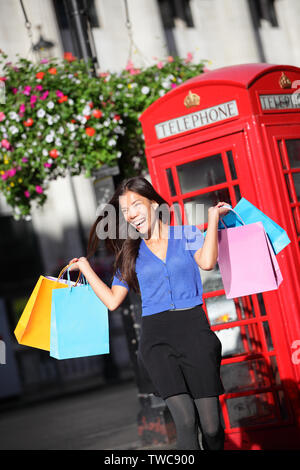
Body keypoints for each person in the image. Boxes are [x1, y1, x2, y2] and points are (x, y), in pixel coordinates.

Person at [68, 176, 230, 450]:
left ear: (154, 204)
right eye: (125, 210)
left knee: (212, 429)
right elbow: (112, 301)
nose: (130, 214)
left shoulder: (186, 234)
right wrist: (86, 268)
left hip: (195, 332)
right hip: (156, 340)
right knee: (186, 424)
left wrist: (212, 218)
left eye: (135, 205)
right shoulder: (129, 254)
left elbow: (207, 261)